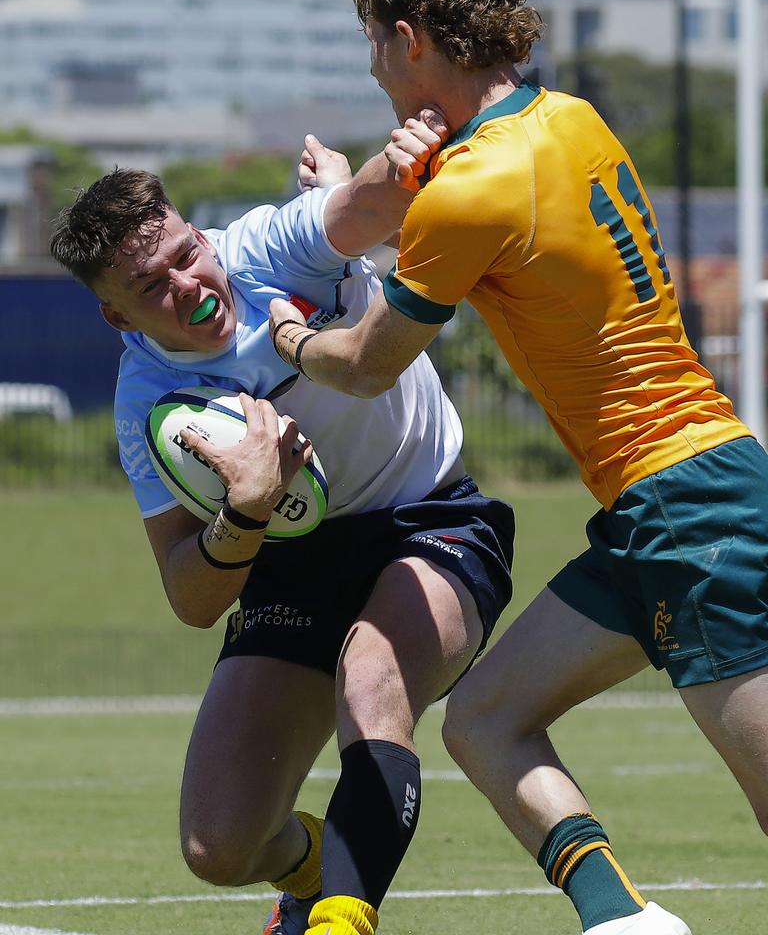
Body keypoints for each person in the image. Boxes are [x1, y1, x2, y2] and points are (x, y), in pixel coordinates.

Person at [269, 0, 768, 935]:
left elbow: (367, 365)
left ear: (410, 39)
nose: (371, 69)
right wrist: (353, 194)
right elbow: (482, 227)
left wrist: (290, 338)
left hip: (690, 505)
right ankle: (624, 920)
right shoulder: (569, 121)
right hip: (668, 502)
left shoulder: (472, 187)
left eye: (372, 46)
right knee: (488, 718)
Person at [49, 151, 515, 935]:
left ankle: (337, 919)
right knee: (218, 846)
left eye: (185, 256)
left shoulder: (269, 248)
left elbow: (369, 205)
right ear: (118, 318)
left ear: (200, 234)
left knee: (372, 684)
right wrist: (247, 511)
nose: (189, 288)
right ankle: (308, 868)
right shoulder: (151, 402)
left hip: (429, 517)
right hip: (294, 557)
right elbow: (188, 595)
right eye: (152, 288)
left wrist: (396, 165)